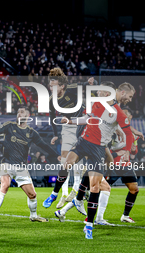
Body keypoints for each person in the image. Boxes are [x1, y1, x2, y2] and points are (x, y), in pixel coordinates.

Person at [56, 82, 134, 239]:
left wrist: (120, 134)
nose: (130, 100)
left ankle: (80, 210)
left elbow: (118, 127)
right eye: (130, 96)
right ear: (123, 92)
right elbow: (89, 118)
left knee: (96, 184)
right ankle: (84, 208)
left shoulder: (115, 110)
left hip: (98, 146)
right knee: (98, 183)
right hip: (88, 142)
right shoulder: (101, 104)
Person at [0, 107, 61, 224]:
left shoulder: (32, 133)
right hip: (7, 163)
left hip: (21, 167)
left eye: (22, 112)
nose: (19, 114)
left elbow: (44, 145)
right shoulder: (9, 126)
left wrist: (57, 155)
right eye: (18, 112)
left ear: (28, 116)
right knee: (5, 186)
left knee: (32, 195)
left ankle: (33, 216)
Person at [45, 68, 96, 209]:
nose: (51, 88)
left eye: (53, 85)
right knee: (64, 159)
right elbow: (52, 118)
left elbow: (81, 84)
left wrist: (89, 82)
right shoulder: (51, 100)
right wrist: (55, 134)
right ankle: (63, 193)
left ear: (62, 86)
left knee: (80, 158)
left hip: (81, 122)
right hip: (67, 126)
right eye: (50, 86)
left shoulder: (71, 89)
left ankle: (76, 188)